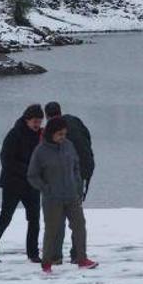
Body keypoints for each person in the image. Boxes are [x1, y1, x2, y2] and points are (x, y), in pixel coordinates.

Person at [27, 117, 97, 273]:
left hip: (72, 196)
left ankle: (82, 259)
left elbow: (76, 166)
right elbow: (32, 175)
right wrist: (46, 189)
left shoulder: (68, 146)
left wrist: (77, 183)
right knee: (52, 231)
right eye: (59, 134)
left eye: (64, 134)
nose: (62, 137)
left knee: (79, 226)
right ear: (51, 134)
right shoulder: (41, 151)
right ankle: (47, 263)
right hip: (52, 199)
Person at [0, 104, 45, 263]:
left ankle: (33, 254)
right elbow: (6, 159)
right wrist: (28, 170)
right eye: (35, 121)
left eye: (39, 121)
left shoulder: (40, 136)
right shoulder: (15, 134)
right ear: (27, 120)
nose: (37, 125)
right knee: (5, 217)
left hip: (32, 184)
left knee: (34, 219)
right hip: (13, 183)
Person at [44, 101, 94, 264]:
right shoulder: (75, 121)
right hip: (80, 175)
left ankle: (55, 255)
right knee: (76, 219)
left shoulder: (51, 131)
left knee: (57, 218)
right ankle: (77, 254)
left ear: (47, 116)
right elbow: (87, 143)